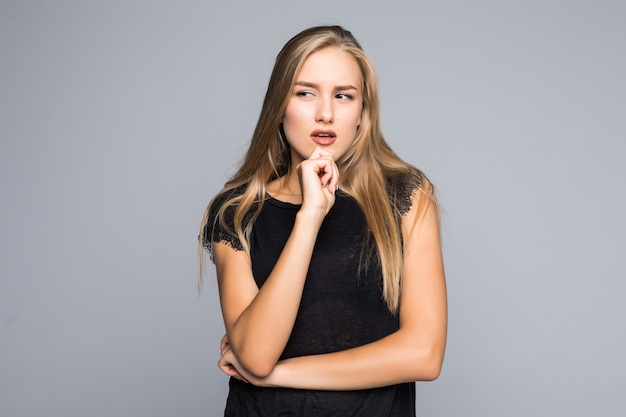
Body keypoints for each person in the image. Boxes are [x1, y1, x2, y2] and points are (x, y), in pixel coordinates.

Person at [199, 25, 447, 417]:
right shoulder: (236, 212)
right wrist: (310, 217)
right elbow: (255, 355)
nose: (326, 113)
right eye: (305, 92)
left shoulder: (406, 195)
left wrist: (278, 375)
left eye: (343, 96)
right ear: (279, 104)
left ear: (363, 113)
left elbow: (424, 354)